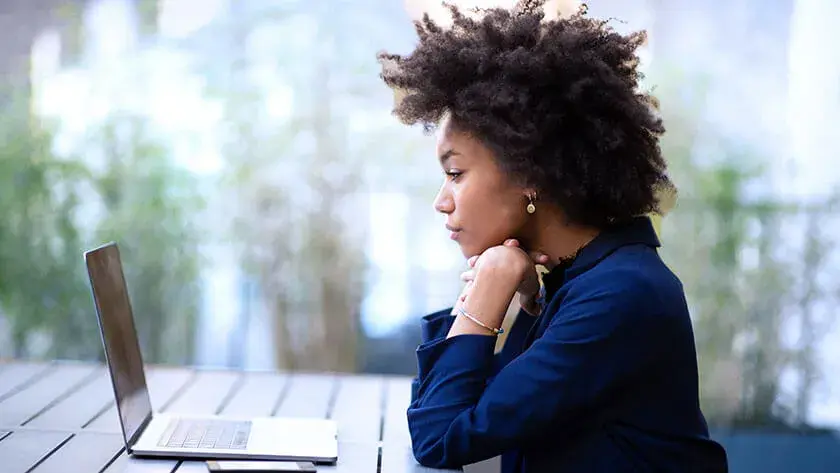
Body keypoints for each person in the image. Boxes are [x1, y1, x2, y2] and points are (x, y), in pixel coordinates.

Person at [376, 1, 729, 472]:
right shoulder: (570, 281)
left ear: (528, 172)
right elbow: (439, 412)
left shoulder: (619, 295)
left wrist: (480, 306)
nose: (442, 200)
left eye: (456, 173)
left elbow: (441, 437)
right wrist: (509, 298)